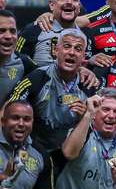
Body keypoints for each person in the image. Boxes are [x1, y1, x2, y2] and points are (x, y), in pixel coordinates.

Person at [8, 28, 95, 158]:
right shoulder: (38, 77)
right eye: (67, 46)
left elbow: (97, 129)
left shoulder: (89, 85)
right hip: (33, 152)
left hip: (70, 156)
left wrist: (83, 118)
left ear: (83, 57)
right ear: (55, 51)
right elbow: (9, 109)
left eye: (78, 49)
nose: (72, 52)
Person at [17, 0, 81, 66]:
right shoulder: (33, 30)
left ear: (79, 7)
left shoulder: (87, 35)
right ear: (51, 4)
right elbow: (15, 60)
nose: (69, 2)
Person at [0, 11, 36, 105]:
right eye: (1, 31)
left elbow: (49, 75)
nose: (8, 36)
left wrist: (79, 71)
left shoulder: (24, 63)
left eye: (12, 31)